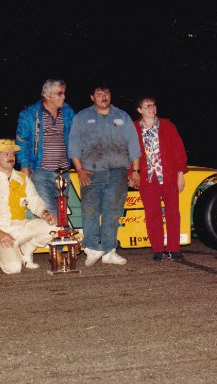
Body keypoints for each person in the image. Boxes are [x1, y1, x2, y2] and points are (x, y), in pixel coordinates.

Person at [69, 84, 141, 267]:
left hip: (118, 172)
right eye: (99, 93)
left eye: (106, 93)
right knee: (90, 211)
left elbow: (133, 145)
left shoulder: (122, 116)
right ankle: (92, 249)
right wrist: (79, 170)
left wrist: (135, 171)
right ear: (92, 97)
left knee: (113, 212)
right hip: (91, 172)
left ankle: (109, 251)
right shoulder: (82, 117)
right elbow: (74, 145)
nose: (103, 96)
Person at [0, 139, 57, 274]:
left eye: (13, 154)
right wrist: (0, 234)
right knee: (13, 268)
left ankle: (25, 250)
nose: (11, 157)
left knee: (55, 226)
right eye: (6, 154)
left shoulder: (23, 178)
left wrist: (45, 214)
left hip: (21, 226)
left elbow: (34, 201)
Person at [132, 96, 188, 262]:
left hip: (168, 176)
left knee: (172, 213)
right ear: (139, 110)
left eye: (153, 105)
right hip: (147, 179)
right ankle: (157, 248)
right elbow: (129, 153)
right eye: (147, 106)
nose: (152, 108)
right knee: (152, 214)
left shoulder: (168, 126)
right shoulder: (133, 128)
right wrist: (132, 174)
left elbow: (179, 151)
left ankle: (174, 248)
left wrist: (180, 175)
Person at [15, 79, 75, 217]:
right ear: (47, 95)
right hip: (41, 173)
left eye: (64, 93)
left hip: (63, 173)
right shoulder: (29, 114)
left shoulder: (67, 111)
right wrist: (24, 166)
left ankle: (60, 237)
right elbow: (21, 142)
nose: (63, 97)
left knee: (62, 214)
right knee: (51, 215)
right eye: (59, 93)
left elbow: (77, 137)